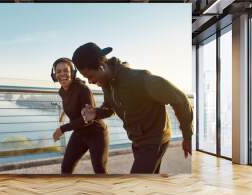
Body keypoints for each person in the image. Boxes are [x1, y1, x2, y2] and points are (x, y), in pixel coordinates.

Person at [72, 42, 193, 174]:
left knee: (135, 184)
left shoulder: (139, 79)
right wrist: (95, 113)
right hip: (137, 141)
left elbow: (180, 100)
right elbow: (109, 109)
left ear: (101, 65)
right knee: (148, 183)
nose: (90, 81)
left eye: (90, 76)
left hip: (155, 140)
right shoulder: (107, 85)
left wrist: (187, 136)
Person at [51, 57, 109, 174]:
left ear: (72, 73)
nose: (62, 74)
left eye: (65, 70)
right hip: (79, 133)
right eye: (58, 71)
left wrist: (62, 129)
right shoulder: (62, 91)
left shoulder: (83, 90)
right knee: (66, 168)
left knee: (99, 171)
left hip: (95, 133)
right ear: (54, 75)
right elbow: (72, 104)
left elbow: (87, 119)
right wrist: (63, 113)